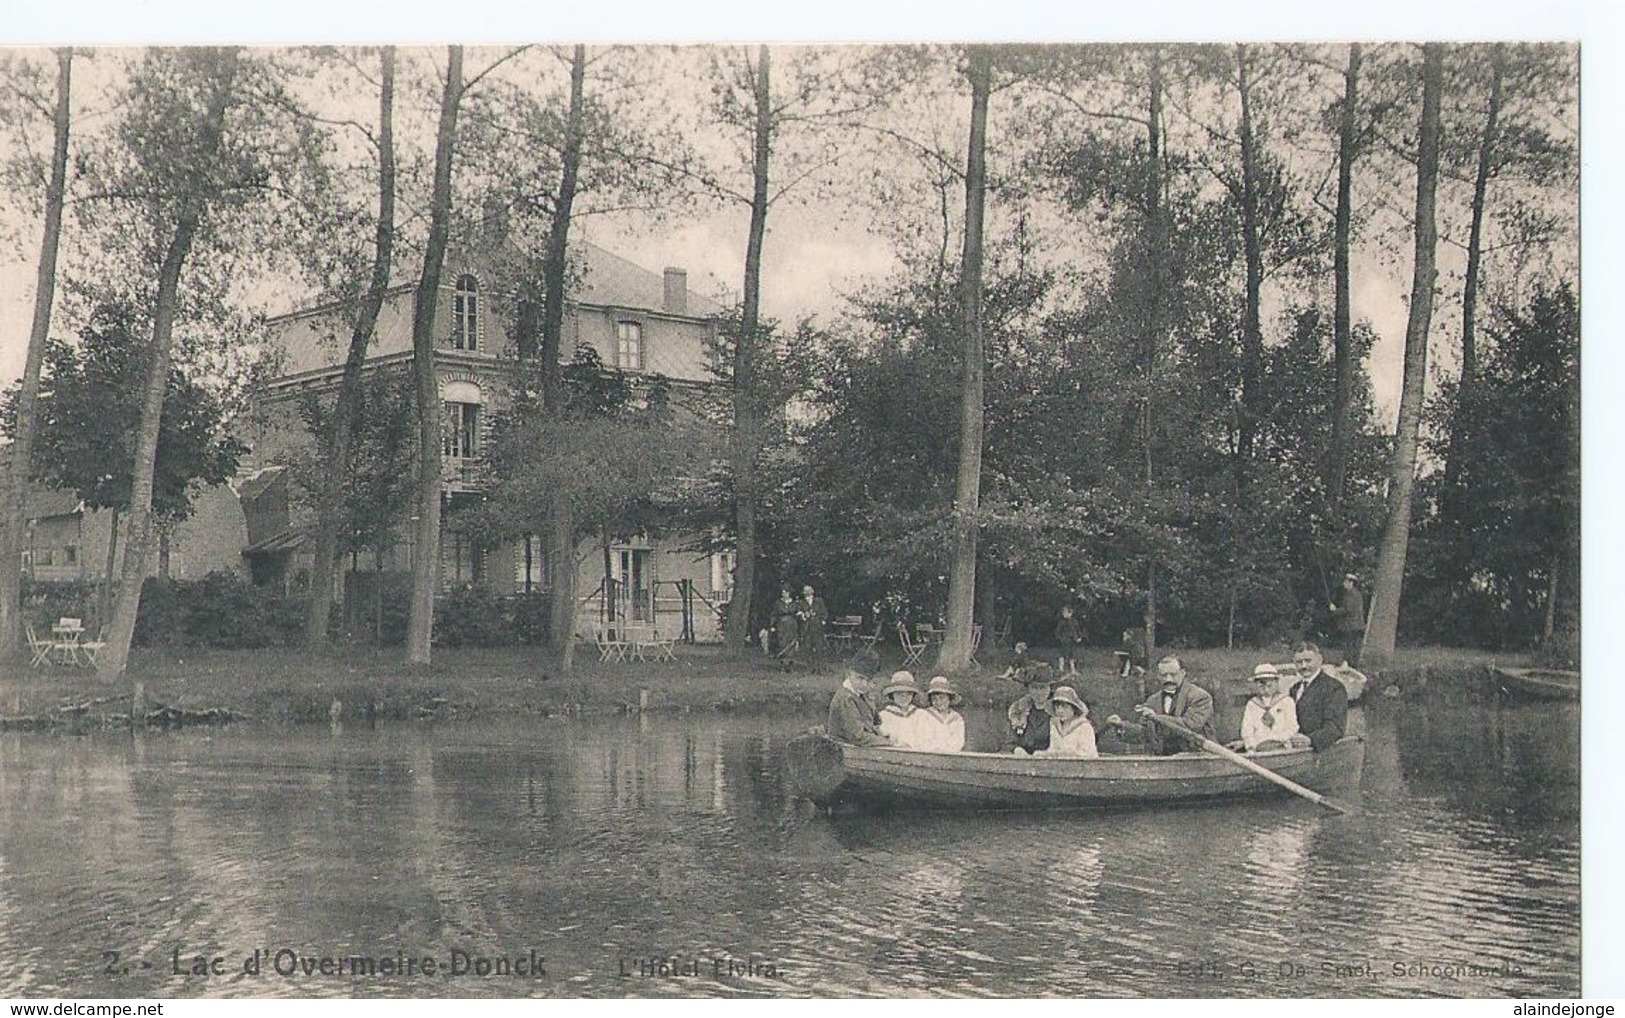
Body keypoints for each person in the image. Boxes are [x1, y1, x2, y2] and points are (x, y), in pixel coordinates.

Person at [1105, 655, 1216, 755]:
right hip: (1163, 760)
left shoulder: (1200, 697)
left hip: (1197, 758)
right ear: (1158, 675)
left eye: (1173, 675)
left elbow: (1190, 726)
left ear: (1183, 673)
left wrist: (1156, 717)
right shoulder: (1153, 700)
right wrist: (1121, 726)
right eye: (1164, 675)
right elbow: (1145, 734)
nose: (1168, 679)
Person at [1288, 642, 1348, 752]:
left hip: (1319, 749)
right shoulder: (1294, 689)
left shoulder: (1334, 687)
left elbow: (1336, 727)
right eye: (1299, 662)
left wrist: (1310, 739)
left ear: (1319, 660)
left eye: (1308, 661)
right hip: (1296, 749)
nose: (1304, 666)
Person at [1229, 663, 1300, 753]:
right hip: (1258, 748)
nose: (1266, 690)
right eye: (1261, 685)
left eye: (1269, 685)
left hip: (1282, 747)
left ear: (1276, 682)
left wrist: (1277, 739)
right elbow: (1247, 730)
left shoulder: (1286, 701)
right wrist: (1251, 745)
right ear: (1256, 685)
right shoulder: (1252, 704)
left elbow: (1292, 726)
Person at [826, 664, 892, 747]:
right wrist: (888, 742)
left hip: (863, 746)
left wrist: (884, 735)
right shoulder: (845, 698)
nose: (864, 684)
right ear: (849, 674)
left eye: (868, 680)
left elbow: (876, 723)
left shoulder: (862, 694)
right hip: (846, 750)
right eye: (860, 678)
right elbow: (857, 736)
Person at [1033, 685, 1098, 758]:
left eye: (1064, 706)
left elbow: (1087, 754)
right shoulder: (1055, 725)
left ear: (1074, 708)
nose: (1060, 711)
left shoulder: (1084, 727)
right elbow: (1054, 748)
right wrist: (1045, 754)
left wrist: (1065, 754)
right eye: (1057, 707)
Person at [1006, 663, 1056, 754]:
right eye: (1034, 688)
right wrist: (1017, 750)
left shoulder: (1057, 710)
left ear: (1050, 688)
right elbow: (1010, 742)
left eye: (1042, 688)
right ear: (1028, 688)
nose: (1039, 692)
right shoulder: (1019, 710)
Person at [915, 675, 966, 752]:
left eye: (942, 698)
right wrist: (940, 749)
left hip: (951, 755)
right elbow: (924, 741)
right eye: (934, 699)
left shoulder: (957, 718)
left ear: (949, 698)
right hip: (930, 754)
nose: (938, 702)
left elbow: (958, 742)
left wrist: (949, 750)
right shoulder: (924, 715)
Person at [877, 670, 923, 747]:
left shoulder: (920, 714)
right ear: (892, 694)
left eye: (908, 693)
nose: (904, 696)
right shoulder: (884, 715)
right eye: (899, 693)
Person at [1329, 574, 1366, 668]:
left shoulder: (1351, 594)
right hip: (1356, 625)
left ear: (1351, 583)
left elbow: (1348, 610)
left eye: (1346, 582)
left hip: (1351, 625)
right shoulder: (1356, 594)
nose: (1343, 583)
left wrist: (1335, 610)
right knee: (1353, 647)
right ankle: (1351, 665)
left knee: (1349, 647)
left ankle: (1350, 666)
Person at [798, 584, 830, 663]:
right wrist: (804, 615)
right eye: (805, 590)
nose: (807, 592)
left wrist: (822, 621)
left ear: (812, 591)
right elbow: (798, 614)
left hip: (817, 626)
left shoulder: (819, 601)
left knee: (818, 645)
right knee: (807, 645)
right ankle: (809, 664)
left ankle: (819, 664)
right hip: (806, 627)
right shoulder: (801, 602)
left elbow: (825, 613)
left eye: (809, 590)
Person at [1055, 606, 1084, 675]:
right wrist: (1060, 638)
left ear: (1070, 613)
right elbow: (1058, 631)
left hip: (1073, 640)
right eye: (1063, 613)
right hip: (1065, 640)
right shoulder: (1061, 622)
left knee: (1072, 655)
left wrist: (1079, 637)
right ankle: (1061, 669)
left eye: (1065, 612)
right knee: (1062, 654)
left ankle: (1072, 670)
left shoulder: (1074, 621)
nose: (1063, 614)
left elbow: (1077, 630)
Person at [772, 589, 800, 660]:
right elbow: (774, 614)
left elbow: (798, 613)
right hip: (781, 624)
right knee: (782, 641)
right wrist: (772, 625)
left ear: (789, 593)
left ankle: (790, 659)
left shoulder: (794, 603)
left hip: (792, 624)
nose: (783, 594)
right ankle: (782, 660)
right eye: (783, 593)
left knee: (791, 640)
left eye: (785, 592)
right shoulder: (778, 603)